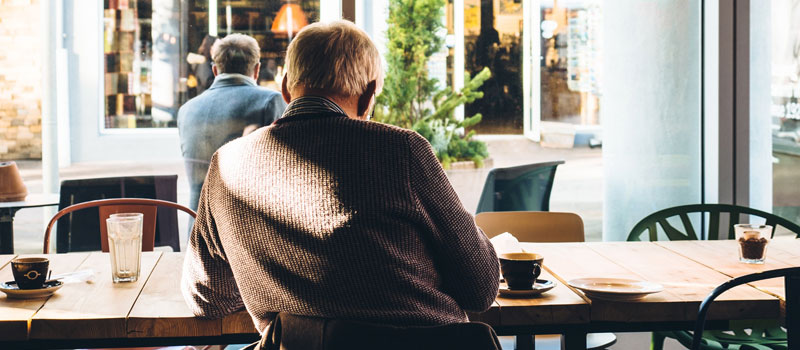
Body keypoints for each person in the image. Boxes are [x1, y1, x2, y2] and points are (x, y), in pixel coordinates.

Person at [181, 20, 499, 333]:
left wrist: (272, 278)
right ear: (368, 95)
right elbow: (481, 288)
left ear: (286, 88)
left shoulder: (226, 165)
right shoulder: (402, 151)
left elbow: (206, 298)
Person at [177, 33, 286, 211]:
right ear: (257, 70)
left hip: (197, 226)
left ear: (215, 70)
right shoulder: (270, 102)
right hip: (245, 227)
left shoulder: (186, 110)